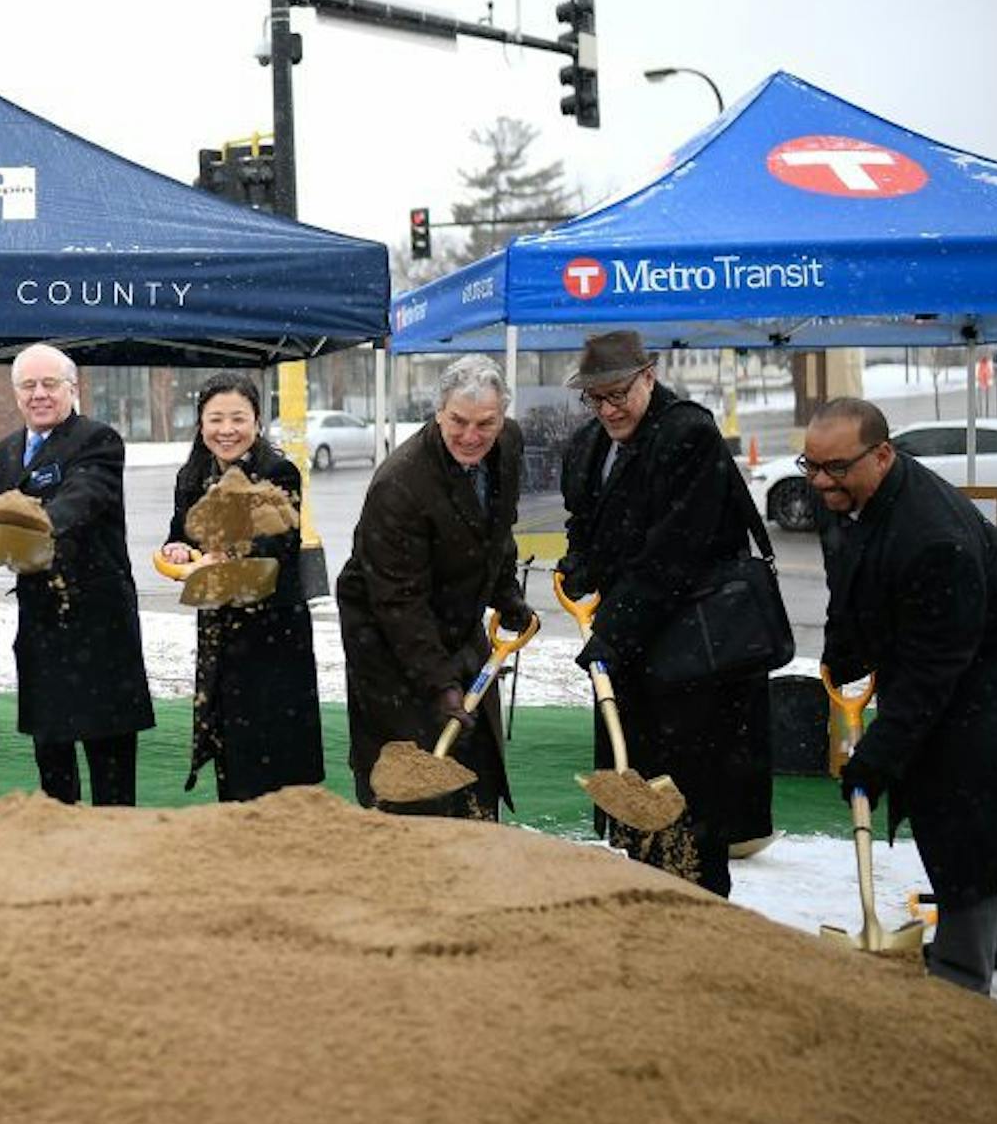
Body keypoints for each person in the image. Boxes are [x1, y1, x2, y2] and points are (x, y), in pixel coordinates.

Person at [807, 397, 997, 993]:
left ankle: (963, 973)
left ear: (881, 455)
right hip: (967, 649)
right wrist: (843, 649)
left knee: (961, 798)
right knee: (961, 791)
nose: (819, 481)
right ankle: (996, 938)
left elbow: (931, 673)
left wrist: (878, 758)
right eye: (810, 465)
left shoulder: (930, 536)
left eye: (835, 468)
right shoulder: (855, 495)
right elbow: (852, 580)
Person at [557, 330, 772, 897]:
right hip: (636, 653)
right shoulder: (589, 444)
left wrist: (613, 632)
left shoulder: (688, 435)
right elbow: (586, 519)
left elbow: (674, 553)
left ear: (649, 376)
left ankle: (696, 914)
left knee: (691, 800)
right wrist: (579, 562)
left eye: (618, 394)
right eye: (595, 398)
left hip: (696, 651)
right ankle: (646, 900)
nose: (607, 409)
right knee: (638, 792)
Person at [337, 355, 528, 819]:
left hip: (456, 618)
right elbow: (399, 602)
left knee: (475, 749)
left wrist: (507, 592)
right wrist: (440, 684)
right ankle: (409, 863)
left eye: (486, 423)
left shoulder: (507, 446)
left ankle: (476, 844)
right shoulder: (401, 483)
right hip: (385, 633)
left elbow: (497, 529)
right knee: (412, 762)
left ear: (502, 415)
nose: (471, 436)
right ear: (438, 411)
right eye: (458, 421)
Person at [0, 343, 154, 805]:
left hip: (100, 626)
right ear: (16, 393)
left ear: (72, 389)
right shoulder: (2, 455)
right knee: (53, 766)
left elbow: (80, 501)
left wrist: (27, 525)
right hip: (41, 628)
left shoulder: (98, 440)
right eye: (28, 386)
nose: (39, 394)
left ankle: (115, 859)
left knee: (111, 771)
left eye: (49, 384)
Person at [159, 373, 322, 800]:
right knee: (230, 736)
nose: (226, 430)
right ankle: (236, 826)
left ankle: (284, 837)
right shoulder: (193, 475)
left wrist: (228, 556)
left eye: (238, 418)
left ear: (256, 422)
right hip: (221, 628)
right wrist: (176, 548)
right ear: (200, 424)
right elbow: (181, 532)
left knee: (276, 743)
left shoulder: (277, 472)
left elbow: (278, 543)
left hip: (274, 627)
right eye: (215, 419)